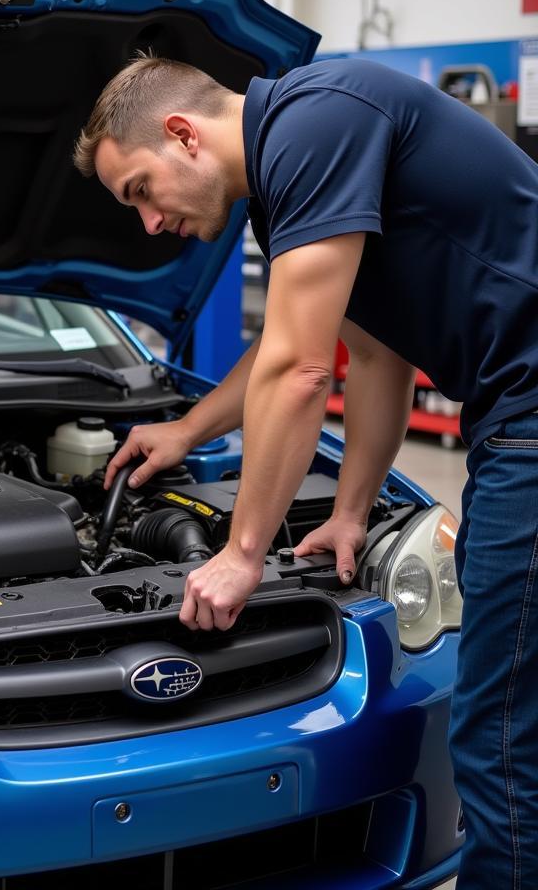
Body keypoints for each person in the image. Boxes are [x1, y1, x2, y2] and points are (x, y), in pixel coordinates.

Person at [72, 53, 538, 890]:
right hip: (517, 417)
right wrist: (203, 437)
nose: (147, 224)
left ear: (183, 135)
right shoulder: (299, 164)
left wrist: (244, 551)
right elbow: (371, 352)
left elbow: (299, 370)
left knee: (501, 735)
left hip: (530, 421)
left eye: (139, 190)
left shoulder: (315, 123)